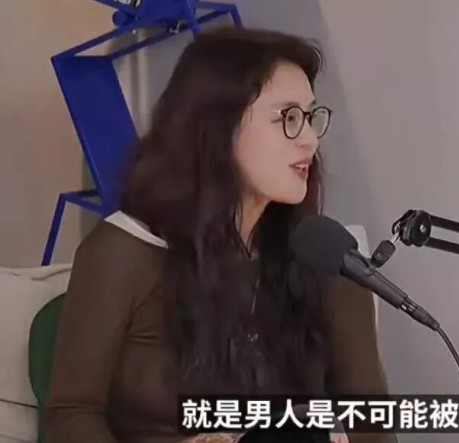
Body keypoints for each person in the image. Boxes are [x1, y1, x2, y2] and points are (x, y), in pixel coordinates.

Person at [46, 26, 392, 443]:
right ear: (217, 127)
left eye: (310, 116)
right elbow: (71, 415)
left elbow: (373, 426)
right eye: (288, 118)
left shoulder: (329, 257)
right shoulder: (124, 252)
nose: (310, 140)